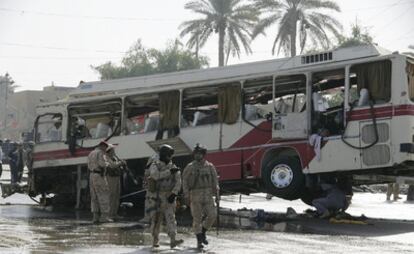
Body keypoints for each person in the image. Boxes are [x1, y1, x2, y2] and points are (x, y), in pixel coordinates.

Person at [182, 144, 219, 249]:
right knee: (197, 218)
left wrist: (217, 195)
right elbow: (184, 180)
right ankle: (199, 240)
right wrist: (186, 194)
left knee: (212, 215)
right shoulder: (190, 167)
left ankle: (203, 231)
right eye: (195, 153)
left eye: (199, 153)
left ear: (203, 154)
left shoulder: (210, 166)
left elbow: (215, 181)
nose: (196, 155)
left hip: (208, 195)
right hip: (195, 195)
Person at [148, 144, 183, 248]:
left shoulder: (174, 167)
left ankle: (173, 239)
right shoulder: (155, 165)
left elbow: (178, 182)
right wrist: (168, 172)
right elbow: (155, 176)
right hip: (157, 196)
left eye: (170, 155)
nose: (170, 157)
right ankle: (155, 240)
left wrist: (174, 193)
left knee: (171, 218)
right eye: (168, 155)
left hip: (169, 195)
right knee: (156, 219)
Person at [88, 140, 117, 223]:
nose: (106, 149)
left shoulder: (91, 153)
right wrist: (109, 164)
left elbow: (89, 164)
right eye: (106, 147)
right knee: (103, 194)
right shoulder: (100, 153)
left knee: (94, 197)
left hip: (92, 175)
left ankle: (95, 217)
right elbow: (102, 164)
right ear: (103, 146)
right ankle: (104, 217)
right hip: (99, 175)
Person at [105, 144, 124, 220]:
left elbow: (118, 166)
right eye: (112, 150)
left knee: (117, 196)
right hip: (110, 178)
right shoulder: (106, 158)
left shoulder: (114, 158)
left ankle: (114, 213)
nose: (114, 152)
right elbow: (112, 166)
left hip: (117, 177)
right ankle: (109, 214)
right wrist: (120, 163)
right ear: (109, 151)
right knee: (111, 196)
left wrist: (121, 164)